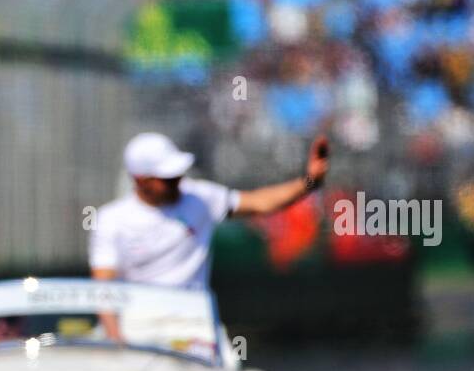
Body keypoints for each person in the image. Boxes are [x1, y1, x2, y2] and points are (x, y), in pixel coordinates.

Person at [90, 132, 330, 346]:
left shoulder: (201, 197)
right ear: (141, 180)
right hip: (137, 327)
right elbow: (104, 288)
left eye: (177, 175)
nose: (177, 181)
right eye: (167, 178)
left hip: (194, 326)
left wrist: (310, 181)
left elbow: (260, 202)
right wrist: (115, 339)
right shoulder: (112, 219)